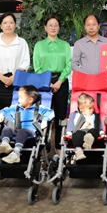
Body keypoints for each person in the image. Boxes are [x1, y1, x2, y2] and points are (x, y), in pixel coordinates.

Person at [33, 15, 72, 151]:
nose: (53, 27)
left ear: (59, 28)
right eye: (50, 25)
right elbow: (37, 66)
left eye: (56, 25)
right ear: (45, 27)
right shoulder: (39, 45)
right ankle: (43, 147)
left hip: (61, 82)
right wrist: (47, 82)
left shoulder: (65, 45)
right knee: (43, 116)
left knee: (61, 116)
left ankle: (59, 148)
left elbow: (68, 64)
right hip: (44, 83)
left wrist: (60, 81)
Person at [0, 13, 30, 119]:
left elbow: (25, 62)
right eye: (5, 23)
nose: (8, 25)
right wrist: (2, 77)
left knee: (16, 114)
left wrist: (14, 77)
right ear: (1, 25)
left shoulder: (22, 42)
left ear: (15, 25)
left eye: (11, 23)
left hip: (17, 82)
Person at [0, 85, 54, 164]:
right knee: (7, 129)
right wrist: (1, 115)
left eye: (21, 98)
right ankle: (5, 144)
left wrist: (45, 120)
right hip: (17, 130)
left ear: (30, 100)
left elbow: (51, 112)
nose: (18, 100)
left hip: (31, 133)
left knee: (22, 131)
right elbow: (3, 110)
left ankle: (16, 153)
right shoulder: (15, 108)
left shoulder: (39, 108)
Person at [64, 93, 102, 161]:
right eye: (89, 108)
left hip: (91, 132)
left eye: (93, 108)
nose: (92, 110)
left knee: (94, 131)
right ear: (81, 108)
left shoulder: (95, 116)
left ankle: (88, 142)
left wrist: (102, 133)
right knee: (77, 134)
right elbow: (70, 127)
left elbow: (99, 126)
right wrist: (68, 133)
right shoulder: (74, 115)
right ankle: (78, 151)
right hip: (80, 132)